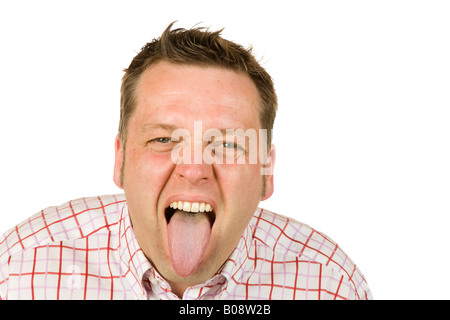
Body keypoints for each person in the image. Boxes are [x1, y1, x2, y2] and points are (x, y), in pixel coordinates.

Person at [0, 23, 372, 300]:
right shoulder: (20, 269)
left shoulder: (329, 284)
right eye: (163, 139)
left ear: (265, 172)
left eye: (226, 145)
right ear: (120, 160)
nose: (194, 169)